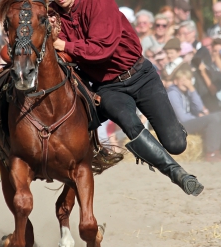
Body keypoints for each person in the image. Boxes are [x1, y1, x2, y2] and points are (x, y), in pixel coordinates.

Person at [49, 0, 204, 196]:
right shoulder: (51, 14)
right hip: (107, 87)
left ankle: (171, 130)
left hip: (141, 75)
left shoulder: (99, 3)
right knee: (129, 122)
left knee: (176, 144)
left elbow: (102, 49)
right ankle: (178, 174)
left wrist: (64, 45)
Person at [167, 69, 221, 162]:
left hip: (187, 122)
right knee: (213, 118)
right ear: (175, 81)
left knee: (218, 116)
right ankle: (211, 153)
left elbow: (199, 107)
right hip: (178, 126)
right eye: (183, 80)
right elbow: (182, 118)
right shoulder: (172, 94)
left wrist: (192, 89)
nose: (186, 83)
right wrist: (199, 118)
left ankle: (217, 150)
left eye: (188, 80)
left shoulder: (187, 92)